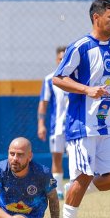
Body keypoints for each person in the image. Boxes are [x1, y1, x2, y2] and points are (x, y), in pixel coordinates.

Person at [52, 0, 110, 218]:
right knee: (84, 175)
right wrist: (86, 90)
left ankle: (75, 190)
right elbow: (58, 78)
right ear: (96, 18)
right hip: (82, 124)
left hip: (105, 124)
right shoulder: (80, 47)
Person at [37, 46, 69, 200]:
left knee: (76, 158)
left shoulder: (77, 77)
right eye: (60, 58)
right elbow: (43, 103)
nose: (62, 61)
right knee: (57, 157)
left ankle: (75, 187)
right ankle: (59, 189)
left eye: (65, 58)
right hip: (57, 127)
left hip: (75, 126)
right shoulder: (50, 79)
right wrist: (41, 124)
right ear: (56, 60)